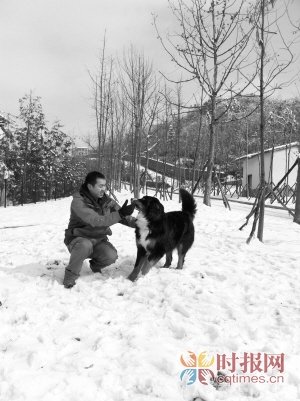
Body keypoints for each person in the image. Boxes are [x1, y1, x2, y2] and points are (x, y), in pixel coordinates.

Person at [63, 171, 136, 288]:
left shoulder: (107, 201)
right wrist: (120, 214)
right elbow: (96, 220)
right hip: (78, 239)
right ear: (90, 186)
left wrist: (142, 224)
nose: (104, 189)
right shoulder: (78, 202)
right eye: (100, 186)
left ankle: (95, 266)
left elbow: (123, 217)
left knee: (111, 255)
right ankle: (70, 277)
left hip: (98, 240)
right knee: (84, 245)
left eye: (105, 185)